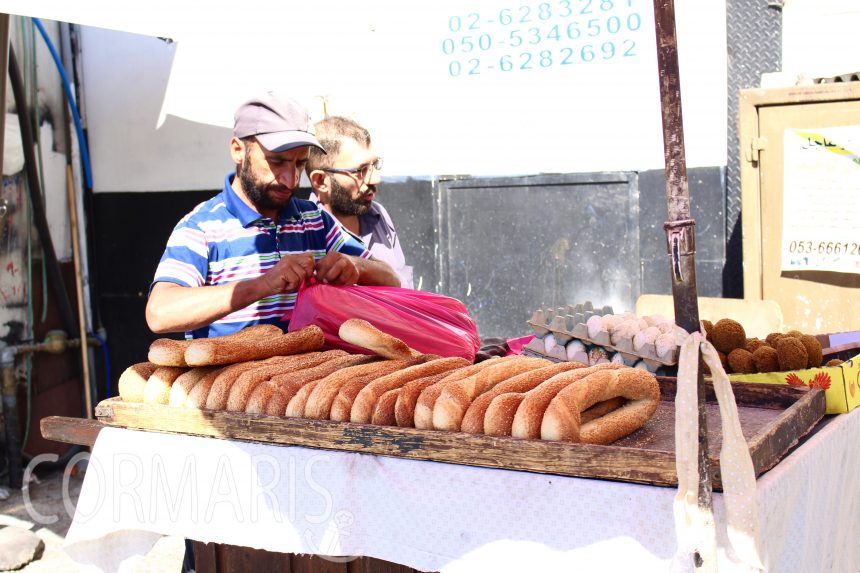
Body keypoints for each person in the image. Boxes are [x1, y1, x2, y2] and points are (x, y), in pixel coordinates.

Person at [146, 92, 401, 338]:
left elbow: (391, 279)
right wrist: (264, 284)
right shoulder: (201, 227)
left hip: (306, 378)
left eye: (300, 163)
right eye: (277, 162)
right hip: (230, 381)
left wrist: (355, 266)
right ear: (238, 150)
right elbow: (160, 313)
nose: (290, 180)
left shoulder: (314, 219)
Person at [305, 116, 414, 289]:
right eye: (360, 170)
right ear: (320, 181)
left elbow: (406, 289)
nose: (375, 179)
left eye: (374, 165)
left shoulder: (378, 216)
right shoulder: (301, 234)